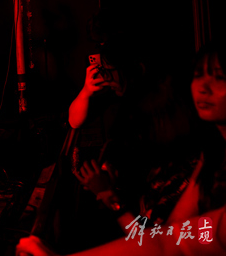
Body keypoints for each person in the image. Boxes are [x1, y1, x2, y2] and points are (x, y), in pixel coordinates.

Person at [18, 44, 226, 256]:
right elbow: (168, 240)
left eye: (220, 77)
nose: (203, 88)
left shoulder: (185, 168)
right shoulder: (209, 155)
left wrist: (110, 197)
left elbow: (160, 241)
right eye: (198, 75)